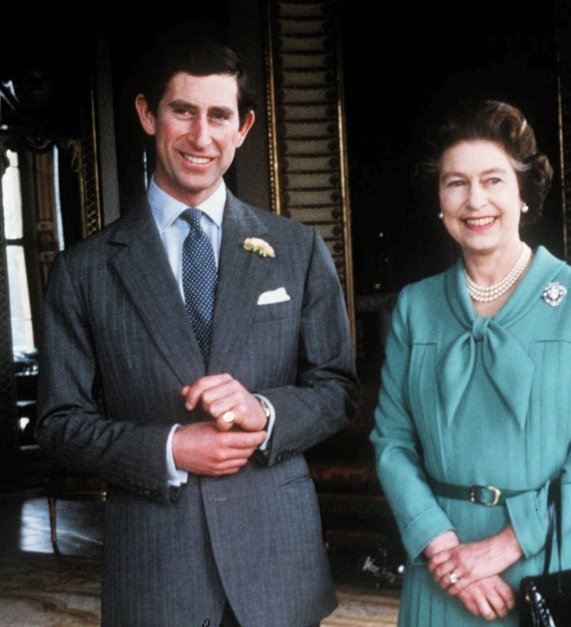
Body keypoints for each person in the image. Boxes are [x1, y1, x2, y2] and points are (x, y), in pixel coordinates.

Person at [36, 33, 358, 627]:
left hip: (278, 568)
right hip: (157, 571)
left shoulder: (297, 249)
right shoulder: (84, 269)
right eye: (182, 111)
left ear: (243, 127)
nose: (200, 136)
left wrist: (265, 410)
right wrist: (170, 449)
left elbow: (337, 389)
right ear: (147, 115)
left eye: (219, 116)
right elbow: (57, 423)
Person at [370, 100, 571, 625]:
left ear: (524, 194)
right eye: (456, 183)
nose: (475, 200)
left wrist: (505, 545)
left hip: (549, 562)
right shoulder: (414, 308)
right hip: (439, 567)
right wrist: (445, 553)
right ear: (439, 201)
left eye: (493, 180)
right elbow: (391, 442)